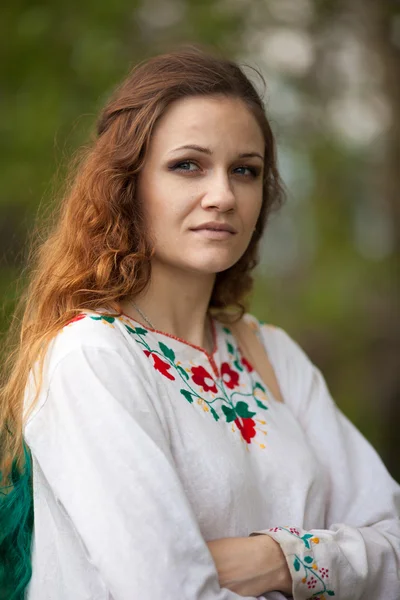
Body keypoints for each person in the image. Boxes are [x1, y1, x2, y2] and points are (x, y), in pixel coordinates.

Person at [0, 47, 399, 600]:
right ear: (127, 185)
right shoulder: (92, 357)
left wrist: (280, 559)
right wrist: (341, 565)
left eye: (245, 170)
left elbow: (395, 544)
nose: (223, 196)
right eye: (188, 165)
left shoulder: (271, 353)